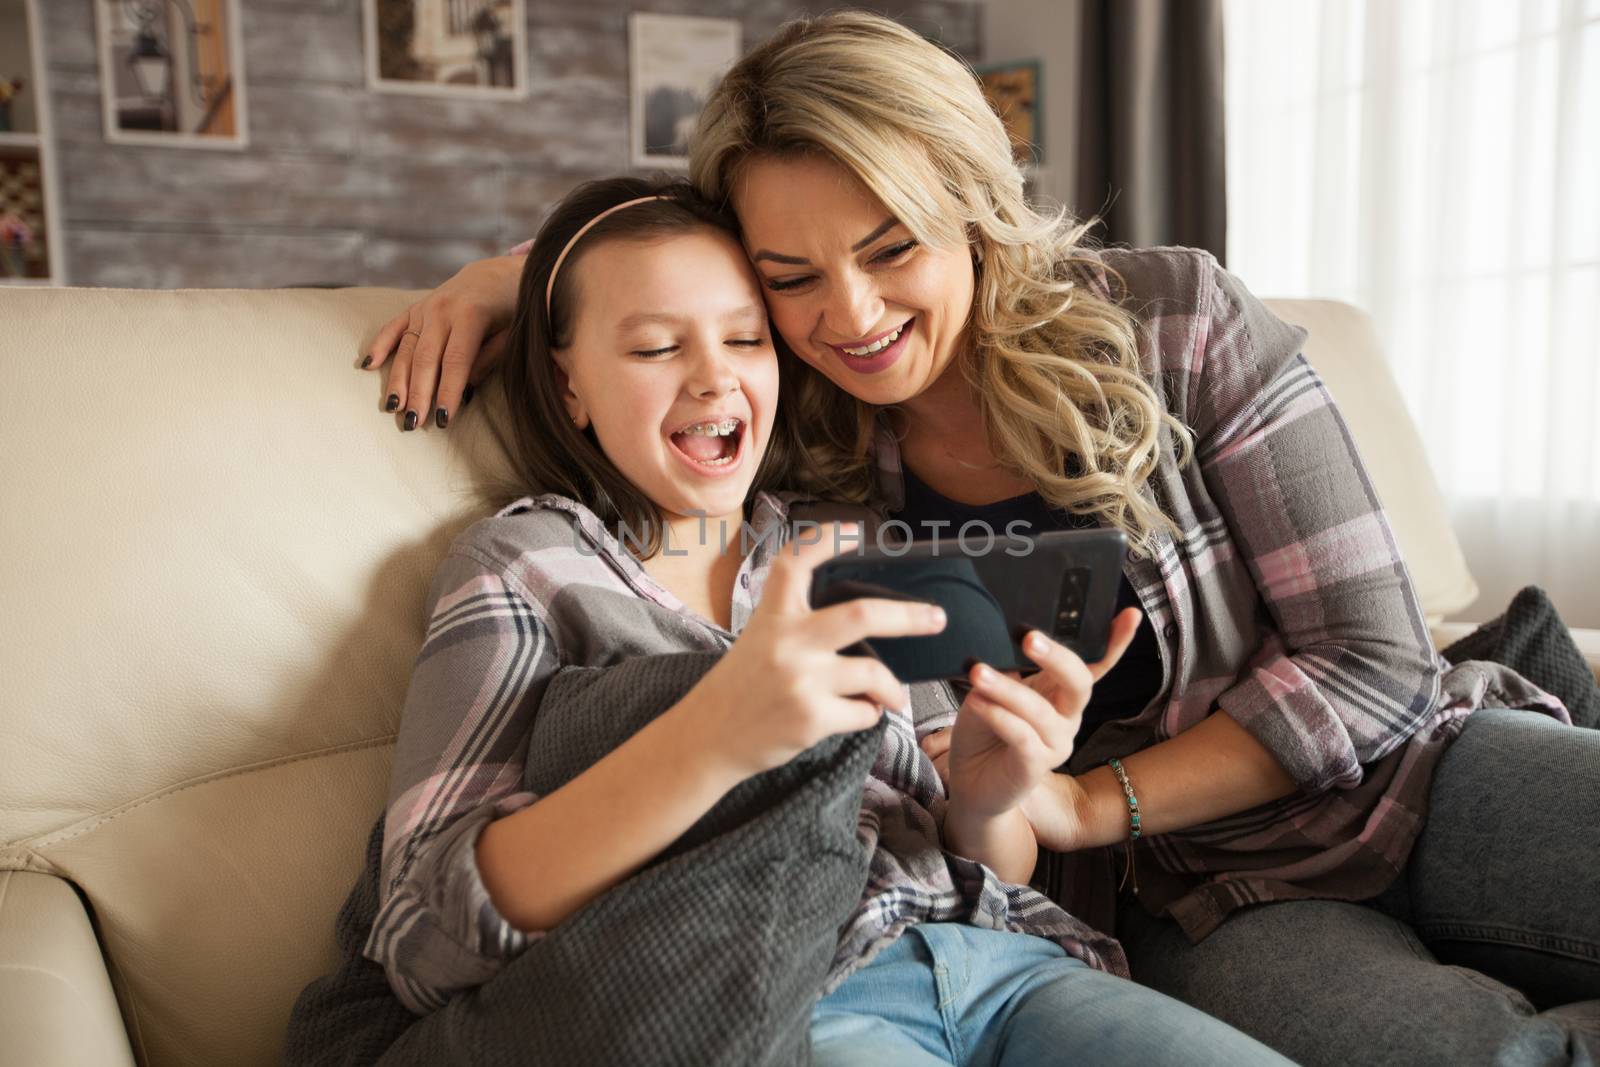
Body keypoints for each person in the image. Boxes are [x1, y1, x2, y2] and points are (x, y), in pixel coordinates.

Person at [361, 14, 1600, 1065]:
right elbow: (669, 305)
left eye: (892, 248)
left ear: (973, 206)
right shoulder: (804, 456)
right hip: (1186, 897)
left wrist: (1075, 801)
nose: (847, 315)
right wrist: (516, 291)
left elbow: (1372, 666)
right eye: (791, 279)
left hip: (1412, 774)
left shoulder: (1176, 323)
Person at [368, 172, 1293, 1065]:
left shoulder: (848, 539)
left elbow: (1000, 874)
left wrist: (986, 793)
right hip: (791, 998)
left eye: (746, 339)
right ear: (569, 386)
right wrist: (718, 736)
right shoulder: (528, 566)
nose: (712, 379)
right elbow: (422, 940)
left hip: (1008, 967)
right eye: (655, 348)